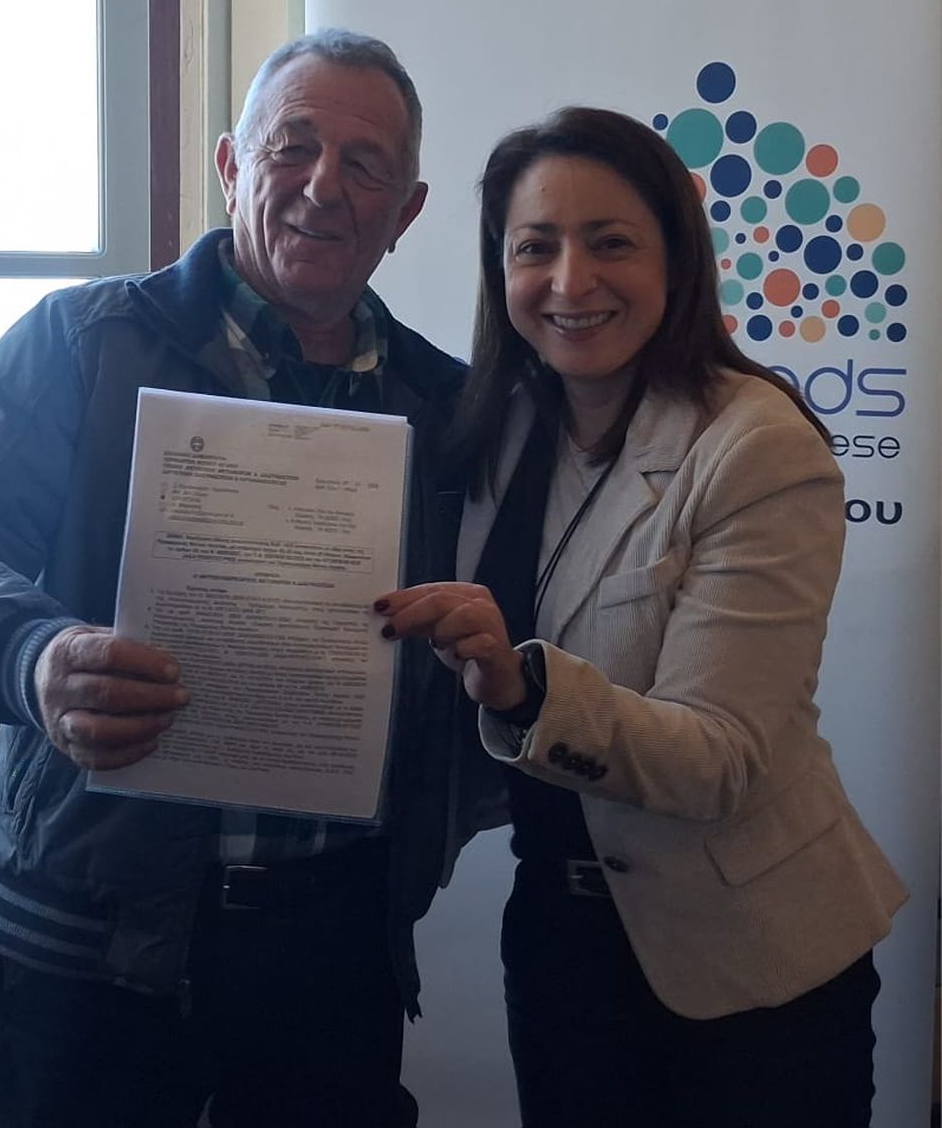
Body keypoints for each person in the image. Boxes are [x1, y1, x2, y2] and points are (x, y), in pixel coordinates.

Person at [0, 29, 499, 1128]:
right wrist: (37, 658)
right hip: (90, 945)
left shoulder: (446, 407)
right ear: (230, 166)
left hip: (334, 954)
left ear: (407, 212)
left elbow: (495, 657)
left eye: (365, 165)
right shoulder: (79, 344)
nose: (322, 186)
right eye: (291, 146)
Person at [375, 106, 908, 1128]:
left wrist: (526, 688)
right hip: (560, 940)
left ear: (676, 261)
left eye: (610, 243)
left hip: (750, 960)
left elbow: (718, 757)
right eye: (535, 247)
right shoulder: (495, 427)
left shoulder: (753, 446)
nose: (570, 281)